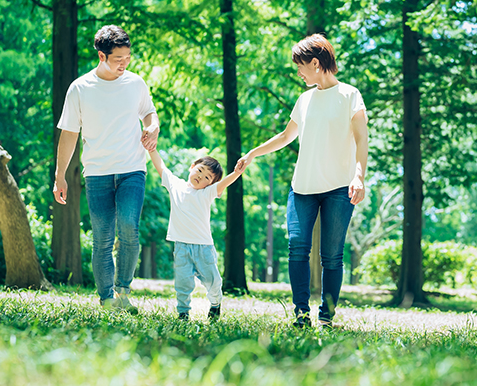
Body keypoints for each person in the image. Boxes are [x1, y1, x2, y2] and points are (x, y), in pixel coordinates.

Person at [238, 34, 368, 327]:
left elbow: (361, 139)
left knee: (332, 255)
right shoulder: (305, 99)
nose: (298, 72)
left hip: (339, 187)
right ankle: (300, 313)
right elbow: (286, 136)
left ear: (315, 62)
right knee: (297, 247)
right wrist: (252, 154)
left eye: (300, 66)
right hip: (303, 188)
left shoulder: (350, 95)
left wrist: (359, 176)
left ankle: (326, 315)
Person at [53, 25, 159, 313]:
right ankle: (106, 299)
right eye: (118, 59)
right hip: (97, 172)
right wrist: (60, 175)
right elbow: (69, 134)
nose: (124, 64)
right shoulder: (80, 88)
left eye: (127, 57)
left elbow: (149, 112)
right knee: (101, 239)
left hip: (132, 169)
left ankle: (123, 291)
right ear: (101, 55)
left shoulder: (135, 83)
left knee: (129, 227)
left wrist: (153, 126)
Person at [148, 150, 245, 320]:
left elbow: (223, 184)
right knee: (183, 283)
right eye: (200, 171)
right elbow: (161, 166)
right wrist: (152, 150)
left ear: (210, 185)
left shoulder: (206, 194)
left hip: (204, 248)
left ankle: (215, 304)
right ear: (192, 167)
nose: (201, 177)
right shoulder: (175, 185)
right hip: (181, 247)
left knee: (213, 281)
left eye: (208, 177)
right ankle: (183, 312)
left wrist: (237, 173)